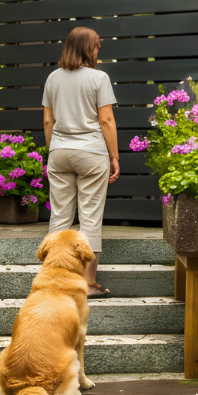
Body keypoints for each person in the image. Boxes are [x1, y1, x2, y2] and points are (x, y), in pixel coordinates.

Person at [42, 26, 119, 297]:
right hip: (91, 153)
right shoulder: (99, 78)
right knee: (90, 217)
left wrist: (54, 150)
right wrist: (114, 156)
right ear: (88, 48)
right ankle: (87, 283)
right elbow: (106, 120)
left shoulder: (53, 78)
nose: (98, 50)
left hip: (60, 151)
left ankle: (54, 279)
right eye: (97, 46)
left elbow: (48, 121)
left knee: (59, 217)